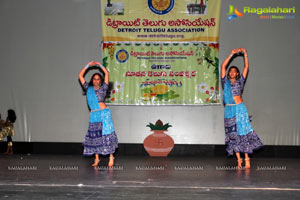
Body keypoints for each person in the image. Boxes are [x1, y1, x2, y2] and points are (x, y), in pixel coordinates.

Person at [221, 48, 263, 169]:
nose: (232, 72)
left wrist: (245, 54)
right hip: (229, 111)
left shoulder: (240, 82)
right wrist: (231, 54)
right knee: (232, 135)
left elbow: (246, 68)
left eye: (235, 71)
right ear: (229, 74)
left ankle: (247, 159)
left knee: (242, 133)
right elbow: (223, 66)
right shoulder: (225, 83)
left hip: (239, 109)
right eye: (231, 71)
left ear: (237, 74)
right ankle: (239, 160)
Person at [78, 61, 118, 167]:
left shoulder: (103, 88)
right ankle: (97, 159)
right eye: (94, 79)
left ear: (100, 81)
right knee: (95, 136)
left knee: (106, 135)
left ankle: (111, 157)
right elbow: (80, 76)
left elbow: (107, 74)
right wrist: (88, 65)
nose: (96, 81)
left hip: (104, 115)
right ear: (92, 80)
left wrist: (100, 66)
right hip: (94, 115)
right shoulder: (88, 89)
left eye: (98, 79)